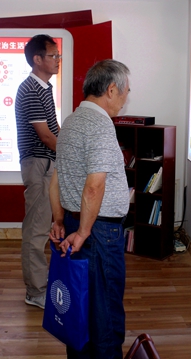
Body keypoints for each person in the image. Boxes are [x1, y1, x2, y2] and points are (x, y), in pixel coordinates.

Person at [49, 59, 131, 359]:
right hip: (97, 233)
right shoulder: (100, 126)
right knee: (105, 319)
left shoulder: (71, 120)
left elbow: (56, 179)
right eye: (126, 91)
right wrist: (84, 233)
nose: (126, 98)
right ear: (111, 90)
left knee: (79, 313)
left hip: (75, 226)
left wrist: (59, 220)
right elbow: (94, 186)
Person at [15, 34, 61, 310]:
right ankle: (35, 291)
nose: (57, 60)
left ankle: (41, 284)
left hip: (47, 163)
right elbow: (45, 136)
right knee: (36, 230)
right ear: (37, 59)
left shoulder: (44, 87)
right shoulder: (31, 89)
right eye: (53, 55)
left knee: (43, 227)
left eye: (58, 55)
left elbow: (53, 130)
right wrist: (71, 155)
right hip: (38, 163)